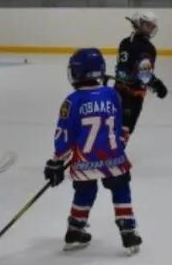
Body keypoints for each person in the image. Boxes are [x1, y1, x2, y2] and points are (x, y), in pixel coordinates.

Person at [44, 48, 141, 254]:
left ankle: (75, 229)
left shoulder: (71, 101)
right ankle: (128, 230)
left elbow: (64, 135)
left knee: (85, 191)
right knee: (121, 189)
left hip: (84, 162)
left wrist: (57, 161)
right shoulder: (112, 94)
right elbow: (117, 126)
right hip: (113, 160)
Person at [114, 11, 168, 139]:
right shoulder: (148, 48)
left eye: (151, 26)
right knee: (125, 128)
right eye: (146, 25)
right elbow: (144, 75)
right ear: (138, 23)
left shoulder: (125, 42)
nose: (149, 29)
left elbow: (123, 70)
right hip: (133, 96)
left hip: (116, 91)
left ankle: (105, 151)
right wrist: (157, 85)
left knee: (112, 124)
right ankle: (114, 154)